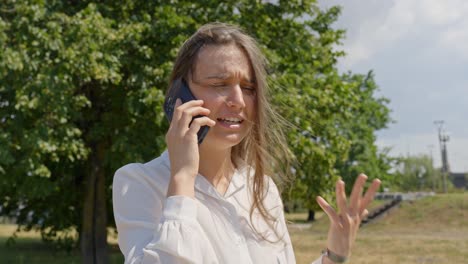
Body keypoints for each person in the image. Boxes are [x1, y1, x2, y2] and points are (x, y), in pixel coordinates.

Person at [112, 22, 381, 264]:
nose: (238, 100)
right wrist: (182, 179)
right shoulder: (138, 183)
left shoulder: (261, 188)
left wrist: (334, 257)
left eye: (249, 88)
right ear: (179, 96)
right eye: (219, 84)